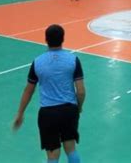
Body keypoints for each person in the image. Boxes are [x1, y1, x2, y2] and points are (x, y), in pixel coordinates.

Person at [12, 24, 85, 163]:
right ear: (63, 39)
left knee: (52, 155)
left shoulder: (37, 62)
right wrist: (78, 107)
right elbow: (81, 91)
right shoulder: (73, 60)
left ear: (46, 40)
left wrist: (20, 113)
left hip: (48, 113)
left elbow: (29, 90)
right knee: (71, 149)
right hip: (69, 110)